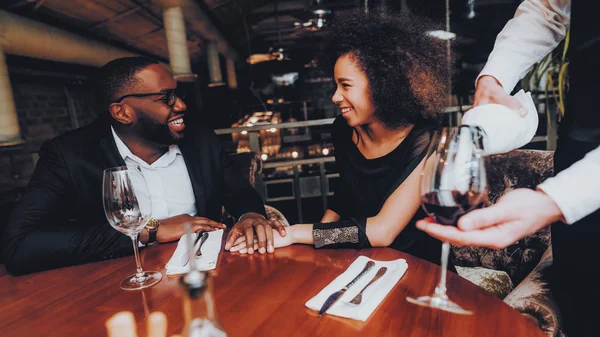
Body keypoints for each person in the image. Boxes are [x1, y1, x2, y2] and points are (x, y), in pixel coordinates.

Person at [416, 1, 600, 335]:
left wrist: (556, 199)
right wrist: (495, 75)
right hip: (578, 146)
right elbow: (548, 8)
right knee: (582, 301)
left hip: (577, 187)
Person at [2, 56, 282, 275]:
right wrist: (151, 230)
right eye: (166, 98)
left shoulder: (200, 138)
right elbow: (18, 246)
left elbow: (237, 190)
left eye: (178, 94)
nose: (181, 105)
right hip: (114, 285)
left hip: (206, 274)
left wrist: (250, 215)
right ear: (122, 112)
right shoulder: (69, 155)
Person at [227, 11, 453, 268]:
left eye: (345, 86)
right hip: (366, 261)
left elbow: (382, 231)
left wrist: (294, 233)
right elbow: (345, 196)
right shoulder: (344, 130)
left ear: (383, 85)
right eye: (335, 86)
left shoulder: (426, 142)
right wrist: (317, 241)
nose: (335, 97)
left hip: (420, 269)